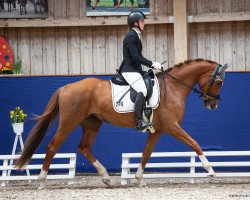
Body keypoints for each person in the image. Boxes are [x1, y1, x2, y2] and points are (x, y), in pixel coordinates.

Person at [118, 11, 162, 131]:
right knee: (142, 89)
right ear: (135, 23)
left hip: (135, 69)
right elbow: (136, 57)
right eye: (142, 21)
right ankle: (138, 122)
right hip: (129, 70)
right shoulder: (131, 36)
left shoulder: (135, 34)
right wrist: (152, 63)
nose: (144, 23)